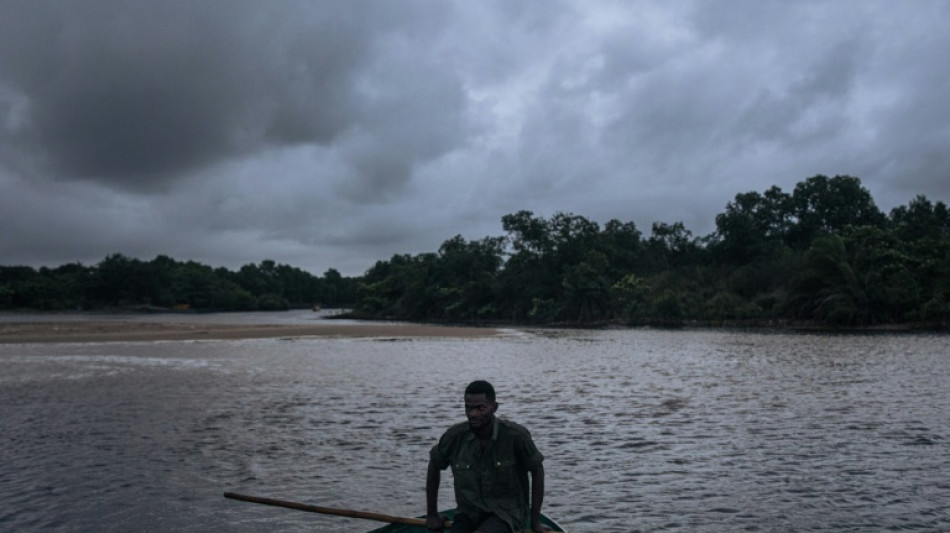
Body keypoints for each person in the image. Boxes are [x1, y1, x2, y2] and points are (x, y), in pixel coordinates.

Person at [426, 380, 548, 533]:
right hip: (469, 514)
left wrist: (535, 522)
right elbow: (434, 464)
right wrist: (432, 514)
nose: (473, 414)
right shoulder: (454, 436)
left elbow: (537, 470)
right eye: (468, 408)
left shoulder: (515, 436)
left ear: (494, 407)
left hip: (506, 515)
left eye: (480, 408)